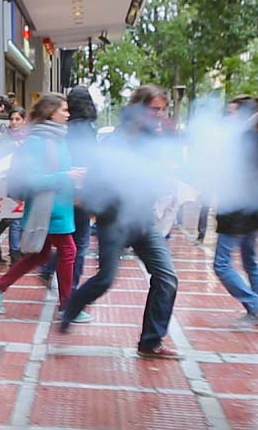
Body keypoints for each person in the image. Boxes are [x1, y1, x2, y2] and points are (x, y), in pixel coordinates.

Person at [58, 85, 180, 358]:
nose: (159, 115)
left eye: (162, 110)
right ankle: (71, 309)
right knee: (105, 279)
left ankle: (150, 342)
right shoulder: (116, 140)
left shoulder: (154, 141)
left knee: (167, 277)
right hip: (114, 220)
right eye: (155, 109)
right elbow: (98, 177)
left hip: (142, 220)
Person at [0, 94, 87, 321]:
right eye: (64, 109)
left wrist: (73, 177)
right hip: (48, 209)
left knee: (40, 255)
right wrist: (67, 176)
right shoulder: (37, 142)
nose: (68, 114)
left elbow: (57, 171)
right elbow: (33, 181)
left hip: (58, 207)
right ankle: (67, 306)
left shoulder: (58, 138)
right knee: (68, 251)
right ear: (50, 112)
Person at [213, 95, 258, 329]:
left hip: (238, 210)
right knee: (250, 261)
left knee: (221, 264)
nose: (227, 118)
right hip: (252, 210)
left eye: (232, 113)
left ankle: (256, 307)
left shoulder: (245, 138)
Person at [37, 86, 98, 291]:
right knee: (79, 242)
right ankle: (70, 289)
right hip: (79, 189)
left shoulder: (63, 128)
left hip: (61, 188)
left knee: (67, 239)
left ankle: (49, 269)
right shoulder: (87, 130)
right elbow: (89, 162)